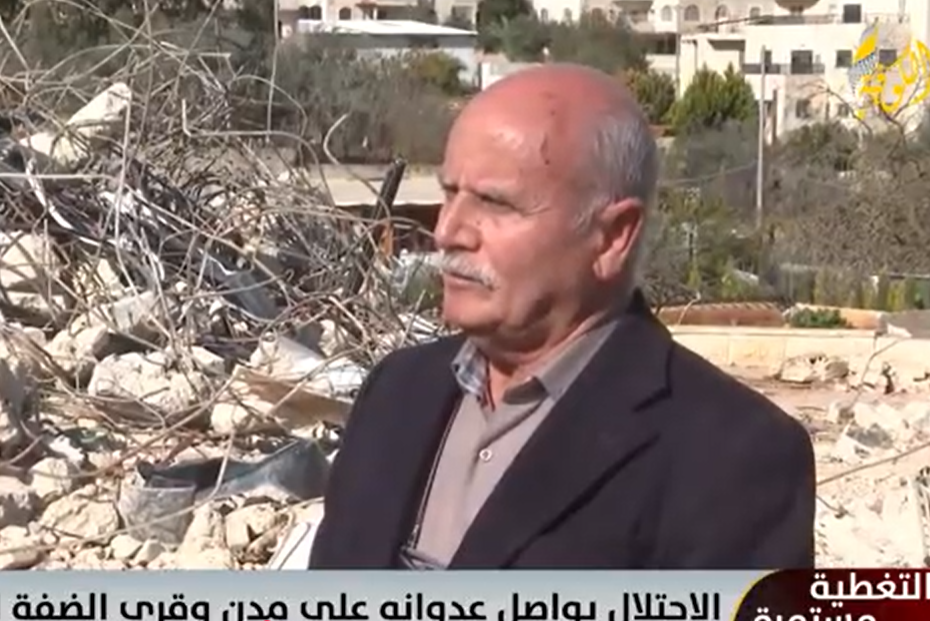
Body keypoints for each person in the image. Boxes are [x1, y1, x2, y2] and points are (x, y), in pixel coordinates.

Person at [307, 64, 816, 569]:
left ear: (612, 237)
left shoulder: (734, 460)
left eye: (494, 203)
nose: (447, 232)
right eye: (450, 193)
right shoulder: (396, 392)